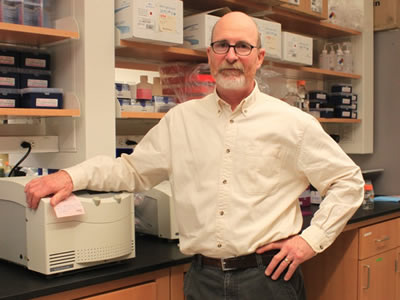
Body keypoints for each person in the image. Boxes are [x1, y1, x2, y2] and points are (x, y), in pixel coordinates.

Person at [25, 11, 364, 300]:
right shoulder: (180, 120)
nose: (231, 55)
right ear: (210, 54)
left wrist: (310, 241)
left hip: (267, 280)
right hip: (202, 280)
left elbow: (347, 181)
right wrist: (72, 176)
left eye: (243, 46)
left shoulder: (293, 123)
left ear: (259, 57)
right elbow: (130, 171)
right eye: (222, 45)